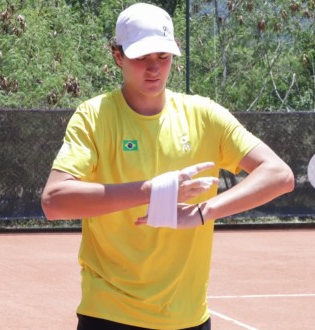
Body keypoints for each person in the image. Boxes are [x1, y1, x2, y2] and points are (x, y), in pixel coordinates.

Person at [41, 3, 294, 329]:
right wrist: (151, 190)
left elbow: (279, 175)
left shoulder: (205, 115)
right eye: (141, 57)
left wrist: (204, 211)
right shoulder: (94, 116)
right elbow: (54, 201)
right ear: (117, 56)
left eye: (163, 57)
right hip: (109, 313)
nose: (154, 68)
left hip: (188, 318)